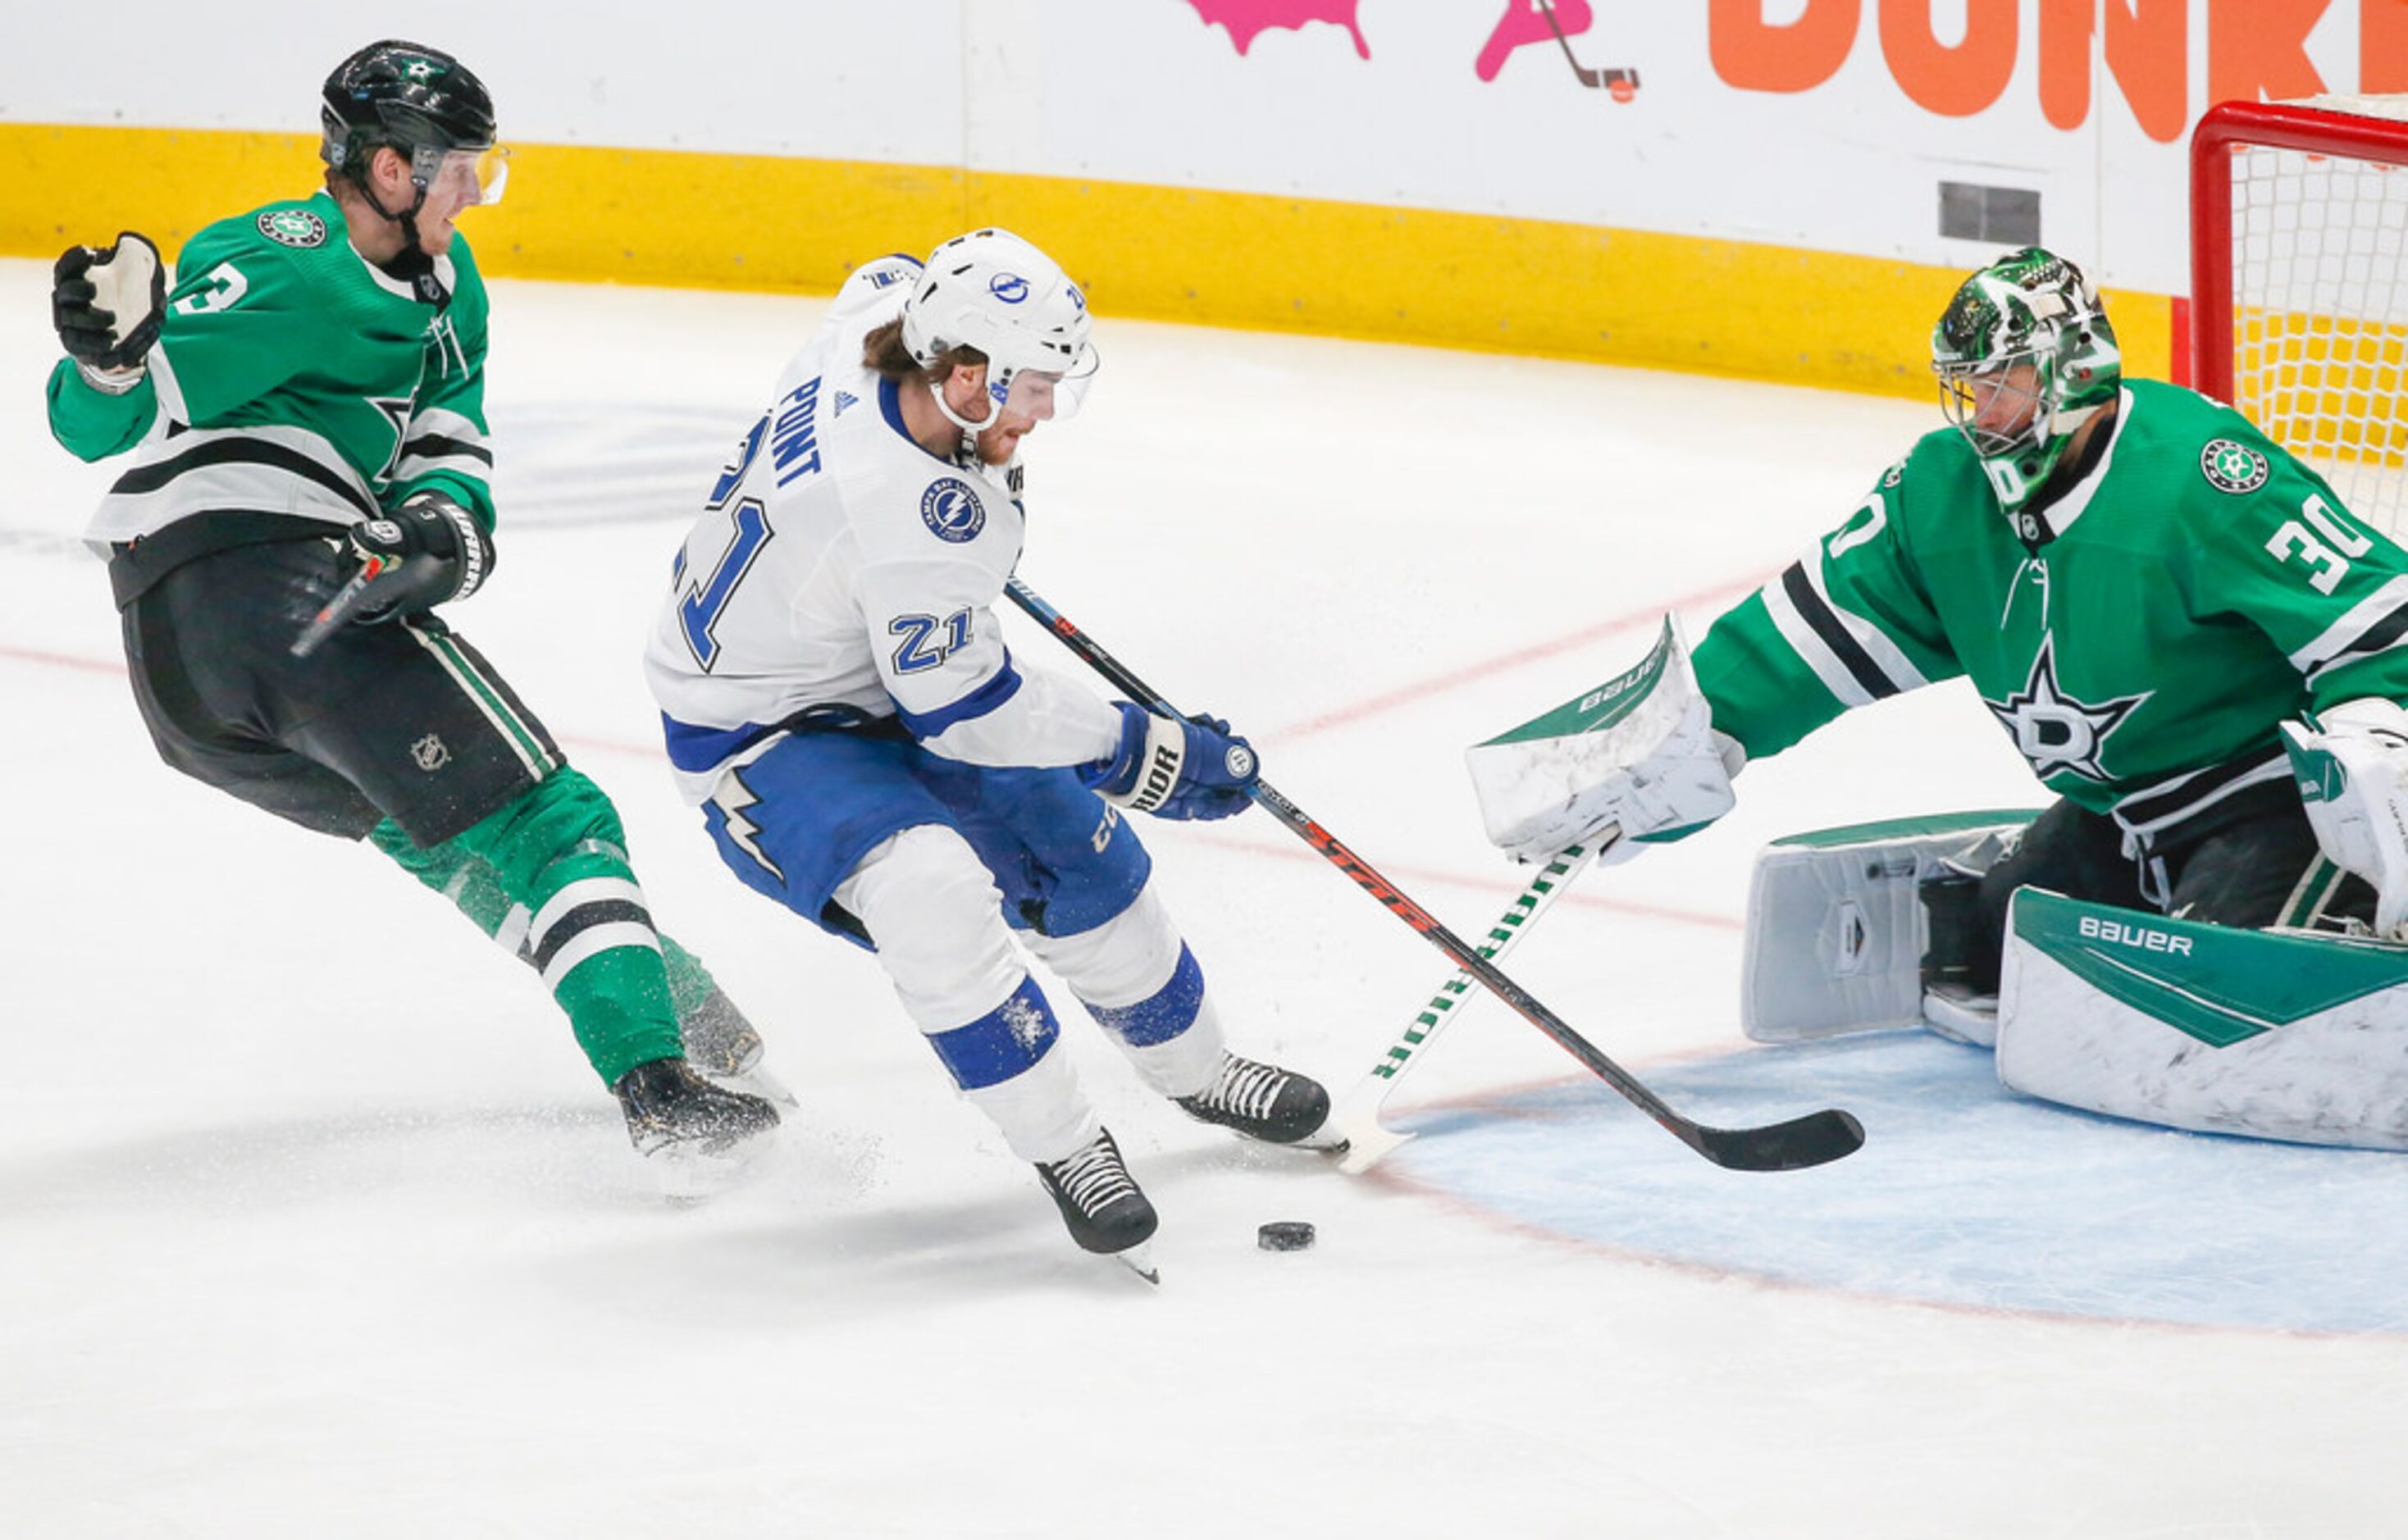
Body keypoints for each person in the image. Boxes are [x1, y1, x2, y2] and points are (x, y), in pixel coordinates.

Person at [43, 39, 780, 1191]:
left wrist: (445, 527)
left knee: (450, 840)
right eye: (459, 169)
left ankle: (708, 1035)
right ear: (389, 170)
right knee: (552, 818)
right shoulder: (282, 256)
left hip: (183, 679)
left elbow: (448, 440)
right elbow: (116, 417)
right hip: (271, 587)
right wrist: (101, 366)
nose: (476, 191)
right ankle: (660, 1089)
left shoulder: (450, 288)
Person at [1476, 246, 2408, 1030]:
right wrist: (1683, 741)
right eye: (1965, 389)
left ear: (2071, 369)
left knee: (2212, 996)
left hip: (2271, 802)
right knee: (1987, 949)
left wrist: (2372, 742)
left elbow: (2380, 625)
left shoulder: (2200, 473)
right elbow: (1807, 633)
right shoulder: (1936, 492)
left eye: (1999, 385)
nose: (1979, 414)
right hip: (2117, 814)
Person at [644, 228, 1329, 1273]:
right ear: (963, 376)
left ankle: (1199, 1071)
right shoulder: (905, 522)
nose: (1044, 410)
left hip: (864, 659)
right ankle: (1068, 1148)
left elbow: (878, 270)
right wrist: (1145, 750)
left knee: (1073, 853)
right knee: (927, 887)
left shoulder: (878, 325)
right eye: (1030, 387)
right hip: (761, 729)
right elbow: (966, 713)